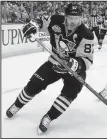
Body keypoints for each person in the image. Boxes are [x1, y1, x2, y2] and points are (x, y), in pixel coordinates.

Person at [6, 3, 94, 134]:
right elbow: (41, 22)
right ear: (65, 17)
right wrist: (35, 25)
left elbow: (88, 60)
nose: (73, 21)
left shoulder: (86, 34)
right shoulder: (56, 20)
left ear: (81, 18)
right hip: (54, 61)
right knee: (34, 84)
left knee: (69, 94)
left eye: (76, 18)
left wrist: (75, 64)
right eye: (70, 18)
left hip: (73, 70)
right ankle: (17, 104)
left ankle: (49, 117)